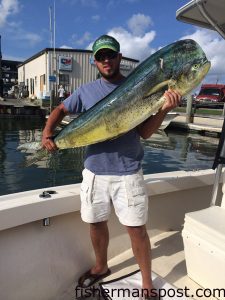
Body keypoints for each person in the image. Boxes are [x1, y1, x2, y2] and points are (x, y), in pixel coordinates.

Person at [42, 35, 181, 299]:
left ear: (119, 57)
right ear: (95, 61)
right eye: (101, 56)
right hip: (94, 171)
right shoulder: (86, 91)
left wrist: (163, 108)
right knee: (95, 222)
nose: (106, 60)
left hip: (128, 171)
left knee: (137, 229)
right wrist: (47, 133)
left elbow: (146, 132)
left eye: (111, 55)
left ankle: (147, 283)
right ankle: (101, 265)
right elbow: (60, 109)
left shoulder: (139, 85)